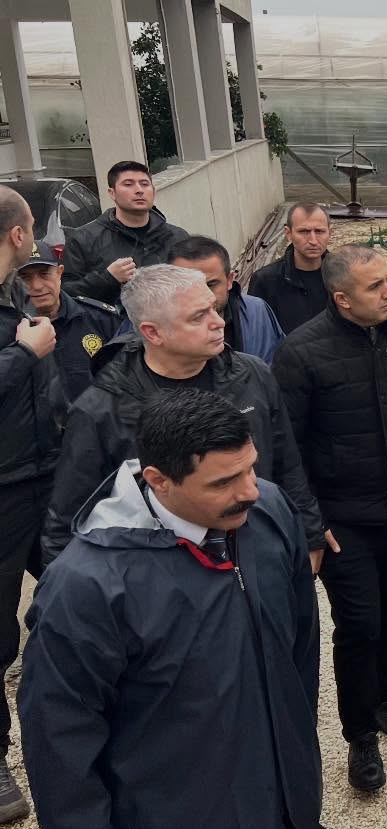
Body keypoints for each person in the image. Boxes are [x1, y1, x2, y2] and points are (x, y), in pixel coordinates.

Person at [19, 390, 323, 829]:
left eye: (251, 469)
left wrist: (298, 747)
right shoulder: (88, 585)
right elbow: (58, 722)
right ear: (157, 480)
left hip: (279, 784)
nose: (250, 492)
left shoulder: (269, 513)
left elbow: (299, 643)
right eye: (223, 483)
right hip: (177, 819)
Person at [273, 245, 387, 794]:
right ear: (341, 297)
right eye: (375, 287)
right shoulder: (300, 354)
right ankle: (359, 735)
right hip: (342, 519)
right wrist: (310, 520)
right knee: (361, 624)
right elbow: (287, 449)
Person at [42, 264, 327, 568]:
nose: (218, 322)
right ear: (153, 332)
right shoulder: (101, 410)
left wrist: (309, 534)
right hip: (165, 574)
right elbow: (69, 516)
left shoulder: (252, 374)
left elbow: (286, 461)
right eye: (198, 317)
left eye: (214, 309)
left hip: (260, 553)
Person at [0, 185, 63, 824]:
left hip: (46, 478)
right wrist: (24, 355)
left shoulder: (14, 297)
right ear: (21, 235)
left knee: (81, 594)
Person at [60, 160, 189, 305]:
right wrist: (107, 278)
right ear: (112, 193)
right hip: (110, 324)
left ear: (153, 191)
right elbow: (64, 293)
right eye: (128, 184)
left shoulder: (177, 237)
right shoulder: (83, 239)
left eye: (145, 184)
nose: (139, 190)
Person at [15, 239, 123, 402]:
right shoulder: (9, 327)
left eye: (44, 274)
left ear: (59, 273)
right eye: (25, 277)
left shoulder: (101, 319)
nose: (37, 285)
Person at [166, 236, 286, 364]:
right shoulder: (160, 326)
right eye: (189, 287)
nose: (202, 296)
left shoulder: (256, 312)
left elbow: (279, 364)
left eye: (211, 284)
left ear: (229, 280)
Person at [248, 203, 333, 333]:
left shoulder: (343, 274)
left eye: (319, 231)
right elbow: (257, 333)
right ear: (288, 233)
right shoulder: (265, 281)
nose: (313, 240)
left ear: (330, 233)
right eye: (303, 231)